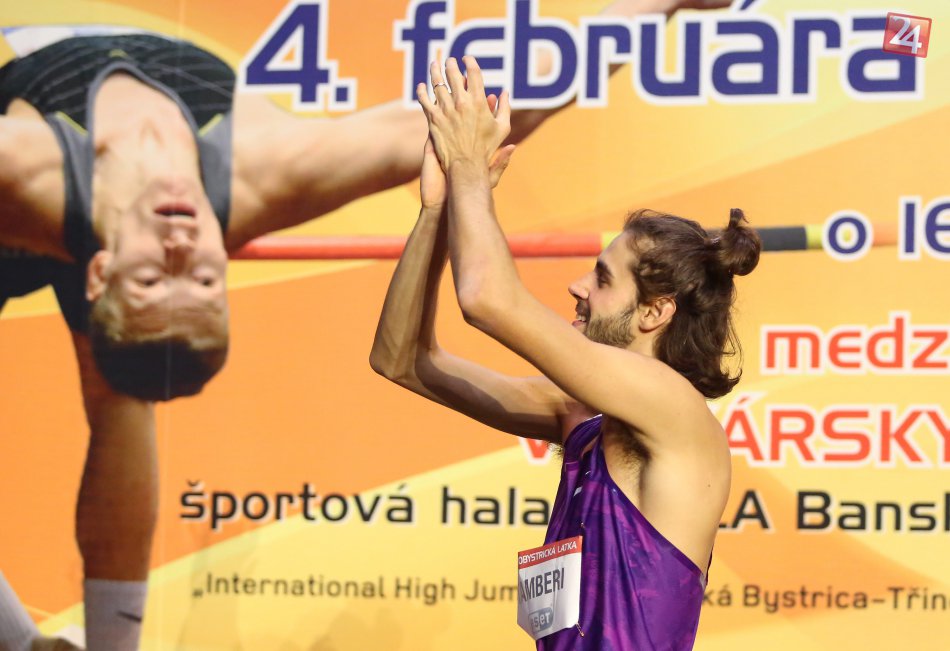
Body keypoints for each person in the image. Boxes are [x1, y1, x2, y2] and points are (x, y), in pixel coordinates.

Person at [371, 55, 760, 650]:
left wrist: (469, 164)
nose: (578, 287)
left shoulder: (674, 408)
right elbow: (400, 360)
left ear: (654, 313)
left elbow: (487, 299)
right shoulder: (583, 418)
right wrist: (436, 211)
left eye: (602, 279)